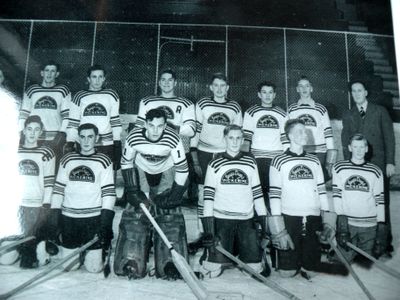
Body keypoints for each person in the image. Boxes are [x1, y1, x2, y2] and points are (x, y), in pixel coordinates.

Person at [116, 108, 189, 280]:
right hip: (142, 167)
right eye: (151, 126)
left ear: (165, 125)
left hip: (166, 168)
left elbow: (183, 169)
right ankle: (133, 254)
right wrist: (133, 189)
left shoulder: (172, 138)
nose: (155, 131)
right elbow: (126, 162)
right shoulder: (134, 137)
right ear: (146, 124)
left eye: (160, 126)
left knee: (168, 213)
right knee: (140, 209)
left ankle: (169, 262)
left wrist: (175, 194)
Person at [268, 118, 339, 278]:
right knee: (287, 273)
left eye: (305, 130)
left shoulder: (314, 160)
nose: (304, 134)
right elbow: (274, 194)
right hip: (289, 218)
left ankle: (307, 257)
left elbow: (321, 190)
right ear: (290, 136)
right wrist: (279, 227)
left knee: (311, 270)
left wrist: (327, 219)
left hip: (312, 218)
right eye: (300, 131)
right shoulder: (278, 161)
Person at [200, 124, 269, 278]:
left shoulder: (250, 162)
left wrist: (264, 227)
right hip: (223, 221)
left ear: (243, 140)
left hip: (246, 220)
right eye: (231, 137)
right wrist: (209, 231)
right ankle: (223, 252)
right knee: (212, 270)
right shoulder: (215, 163)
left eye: (238, 138)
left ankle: (246, 251)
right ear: (225, 139)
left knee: (253, 271)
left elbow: (257, 194)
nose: (235, 141)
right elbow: (208, 198)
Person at [46, 123, 116, 273]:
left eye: (90, 137)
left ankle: (99, 250)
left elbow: (109, 193)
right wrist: (54, 217)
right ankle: (79, 249)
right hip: (69, 219)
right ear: (78, 138)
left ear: (96, 138)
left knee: (94, 268)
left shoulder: (104, 161)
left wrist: (105, 223)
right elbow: (58, 189)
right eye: (82, 137)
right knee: (69, 267)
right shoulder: (68, 159)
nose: (86, 141)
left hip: (92, 220)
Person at [341, 80, 395, 257]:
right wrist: (349, 164)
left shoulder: (380, 111)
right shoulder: (348, 114)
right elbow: (344, 141)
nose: (356, 94)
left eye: (359, 90)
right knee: (360, 202)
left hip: (378, 164)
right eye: (353, 91)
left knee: (381, 202)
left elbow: (389, 139)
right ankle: (360, 240)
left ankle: (385, 243)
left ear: (366, 93)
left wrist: (390, 162)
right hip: (357, 166)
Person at [191, 72, 243, 237]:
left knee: (224, 191)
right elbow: (197, 130)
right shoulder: (203, 103)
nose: (219, 89)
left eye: (223, 86)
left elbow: (238, 134)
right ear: (211, 87)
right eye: (216, 86)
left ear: (227, 88)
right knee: (203, 193)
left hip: (225, 155)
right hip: (204, 153)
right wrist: (194, 156)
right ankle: (202, 231)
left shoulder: (234, 107)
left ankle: (222, 230)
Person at [0, 115, 56, 268]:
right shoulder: (14, 150)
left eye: (37, 130)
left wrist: (46, 204)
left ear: (41, 133)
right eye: (29, 129)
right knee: (5, 260)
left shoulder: (46, 152)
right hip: (16, 203)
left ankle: (41, 245)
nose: (32, 133)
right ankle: (23, 245)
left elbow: (49, 181)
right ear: (24, 131)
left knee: (31, 261)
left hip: (35, 204)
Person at [136, 69, 196, 204]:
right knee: (148, 192)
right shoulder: (147, 101)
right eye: (163, 79)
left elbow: (191, 130)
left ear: (175, 83)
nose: (166, 83)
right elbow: (139, 127)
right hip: (152, 151)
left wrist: (169, 125)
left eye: (170, 80)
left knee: (168, 193)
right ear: (159, 82)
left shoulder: (186, 103)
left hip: (175, 152)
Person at [332, 133, 385, 264]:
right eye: (356, 147)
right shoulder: (339, 168)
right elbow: (337, 197)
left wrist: (381, 225)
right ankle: (338, 252)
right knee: (342, 262)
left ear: (366, 149)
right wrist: (341, 223)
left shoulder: (375, 171)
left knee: (365, 263)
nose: (359, 150)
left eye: (362, 147)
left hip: (369, 225)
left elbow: (380, 200)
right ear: (350, 148)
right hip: (348, 224)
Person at [242, 81, 289, 211]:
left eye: (270, 93)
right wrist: (245, 159)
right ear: (259, 94)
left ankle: (275, 223)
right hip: (258, 158)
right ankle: (261, 224)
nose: (267, 96)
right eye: (264, 92)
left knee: (275, 193)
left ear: (274, 95)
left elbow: (285, 140)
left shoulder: (282, 113)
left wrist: (285, 159)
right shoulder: (251, 112)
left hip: (276, 159)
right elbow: (246, 140)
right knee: (258, 193)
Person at [66, 64, 122, 170]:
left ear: (104, 79)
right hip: (84, 142)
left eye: (100, 77)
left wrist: (117, 144)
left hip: (106, 143)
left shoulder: (111, 95)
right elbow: (73, 123)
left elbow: (115, 122)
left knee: (106, 175)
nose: (97, 80)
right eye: (94, 77)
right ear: (88, 79)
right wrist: (70, 142)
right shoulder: (79, 96)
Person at [18, 62, 71, 159]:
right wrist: (22, 131)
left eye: (52, 71)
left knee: (51, 168)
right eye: (47, 70)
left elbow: (66, 116)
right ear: (42, 73)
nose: (49, 74)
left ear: (57, 74)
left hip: (54, 138)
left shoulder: (63, 90)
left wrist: (61, 134)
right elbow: (23, 115)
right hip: (34, 137)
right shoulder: (32, 90)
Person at [288, 76, 337, 180]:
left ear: (311, 88)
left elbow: (328, 132)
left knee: (318, 179)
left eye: (307, 86)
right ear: (297, 89)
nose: (304, 89)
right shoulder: (292, 109)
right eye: (301, 86)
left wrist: (331, 153)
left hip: (319, 151)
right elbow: (289, 132)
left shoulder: (320, 109)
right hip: (299, 150)